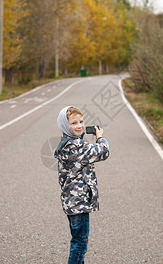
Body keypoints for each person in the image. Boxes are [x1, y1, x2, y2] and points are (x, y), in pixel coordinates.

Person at [54, 106, 110, 264]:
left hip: (71, 202)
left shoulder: (66, 143)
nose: (79, 126)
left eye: (81, 121)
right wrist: (100, 137)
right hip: (79, 204)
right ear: (65, 126)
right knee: (79, 244)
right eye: (73, 123)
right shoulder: (76, 146)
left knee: (77, 241)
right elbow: (103, 152)